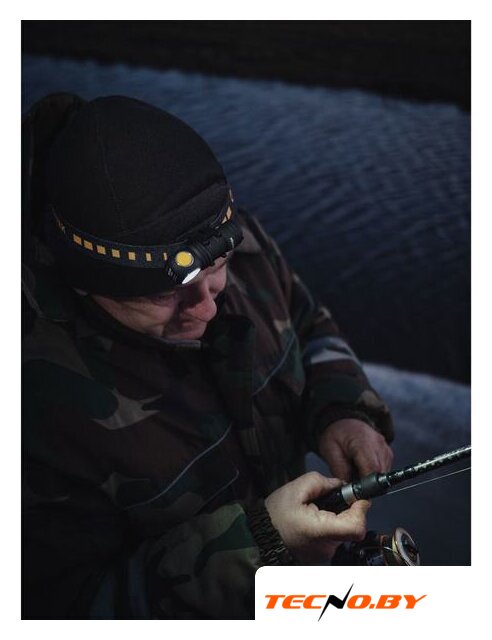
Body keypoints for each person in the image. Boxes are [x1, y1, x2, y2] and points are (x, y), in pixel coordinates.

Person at [22, 94, 394, 619]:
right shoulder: (31, 409)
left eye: (218, 267)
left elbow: (308, 321)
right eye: (163, 294)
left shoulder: (224, 237)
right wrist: (257, 544)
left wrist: (342, 408)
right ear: (85, 282)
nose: (207, 307)